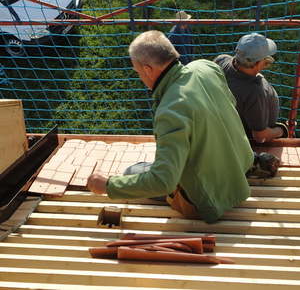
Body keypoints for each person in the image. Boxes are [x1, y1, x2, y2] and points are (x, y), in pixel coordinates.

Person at [87, 30, 254, 223]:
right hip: (239, 172)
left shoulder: (170, 110)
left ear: (148, 69)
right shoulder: (206, 67)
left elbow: (163, 182)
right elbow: (229, 106)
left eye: (138, 71)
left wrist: (108, 185)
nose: (140, 77)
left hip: (209, 200)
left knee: (132, 172)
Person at [214, 32, 288, 144]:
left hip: (222, 129)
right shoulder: (254, 91)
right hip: (246, 141)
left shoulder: (221, 60)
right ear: (258, 63)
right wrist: (282, 130)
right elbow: (260, 136)